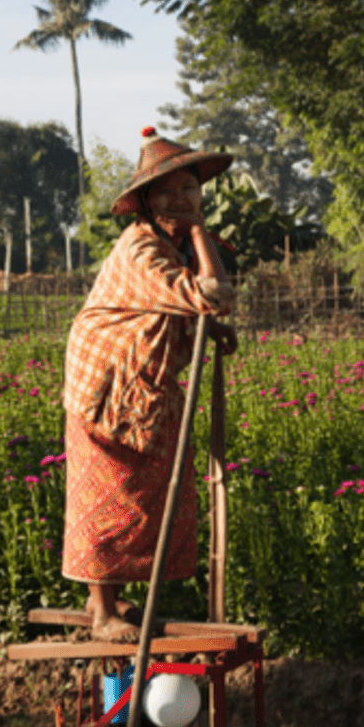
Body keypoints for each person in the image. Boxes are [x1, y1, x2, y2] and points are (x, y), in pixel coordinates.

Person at [63, 126, 239, 641]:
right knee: (105, 495)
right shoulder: (141, 247)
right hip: (105, 389)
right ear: (147, 201)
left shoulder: (173, 246)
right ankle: (102, 612)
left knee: (149, 491)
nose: (184, 199)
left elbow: (192, 306)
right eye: (170, 191)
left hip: (143, 387)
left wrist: (214, 329)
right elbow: (210, 295)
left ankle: (122, 601)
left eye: (191, 189)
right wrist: (204, 237)